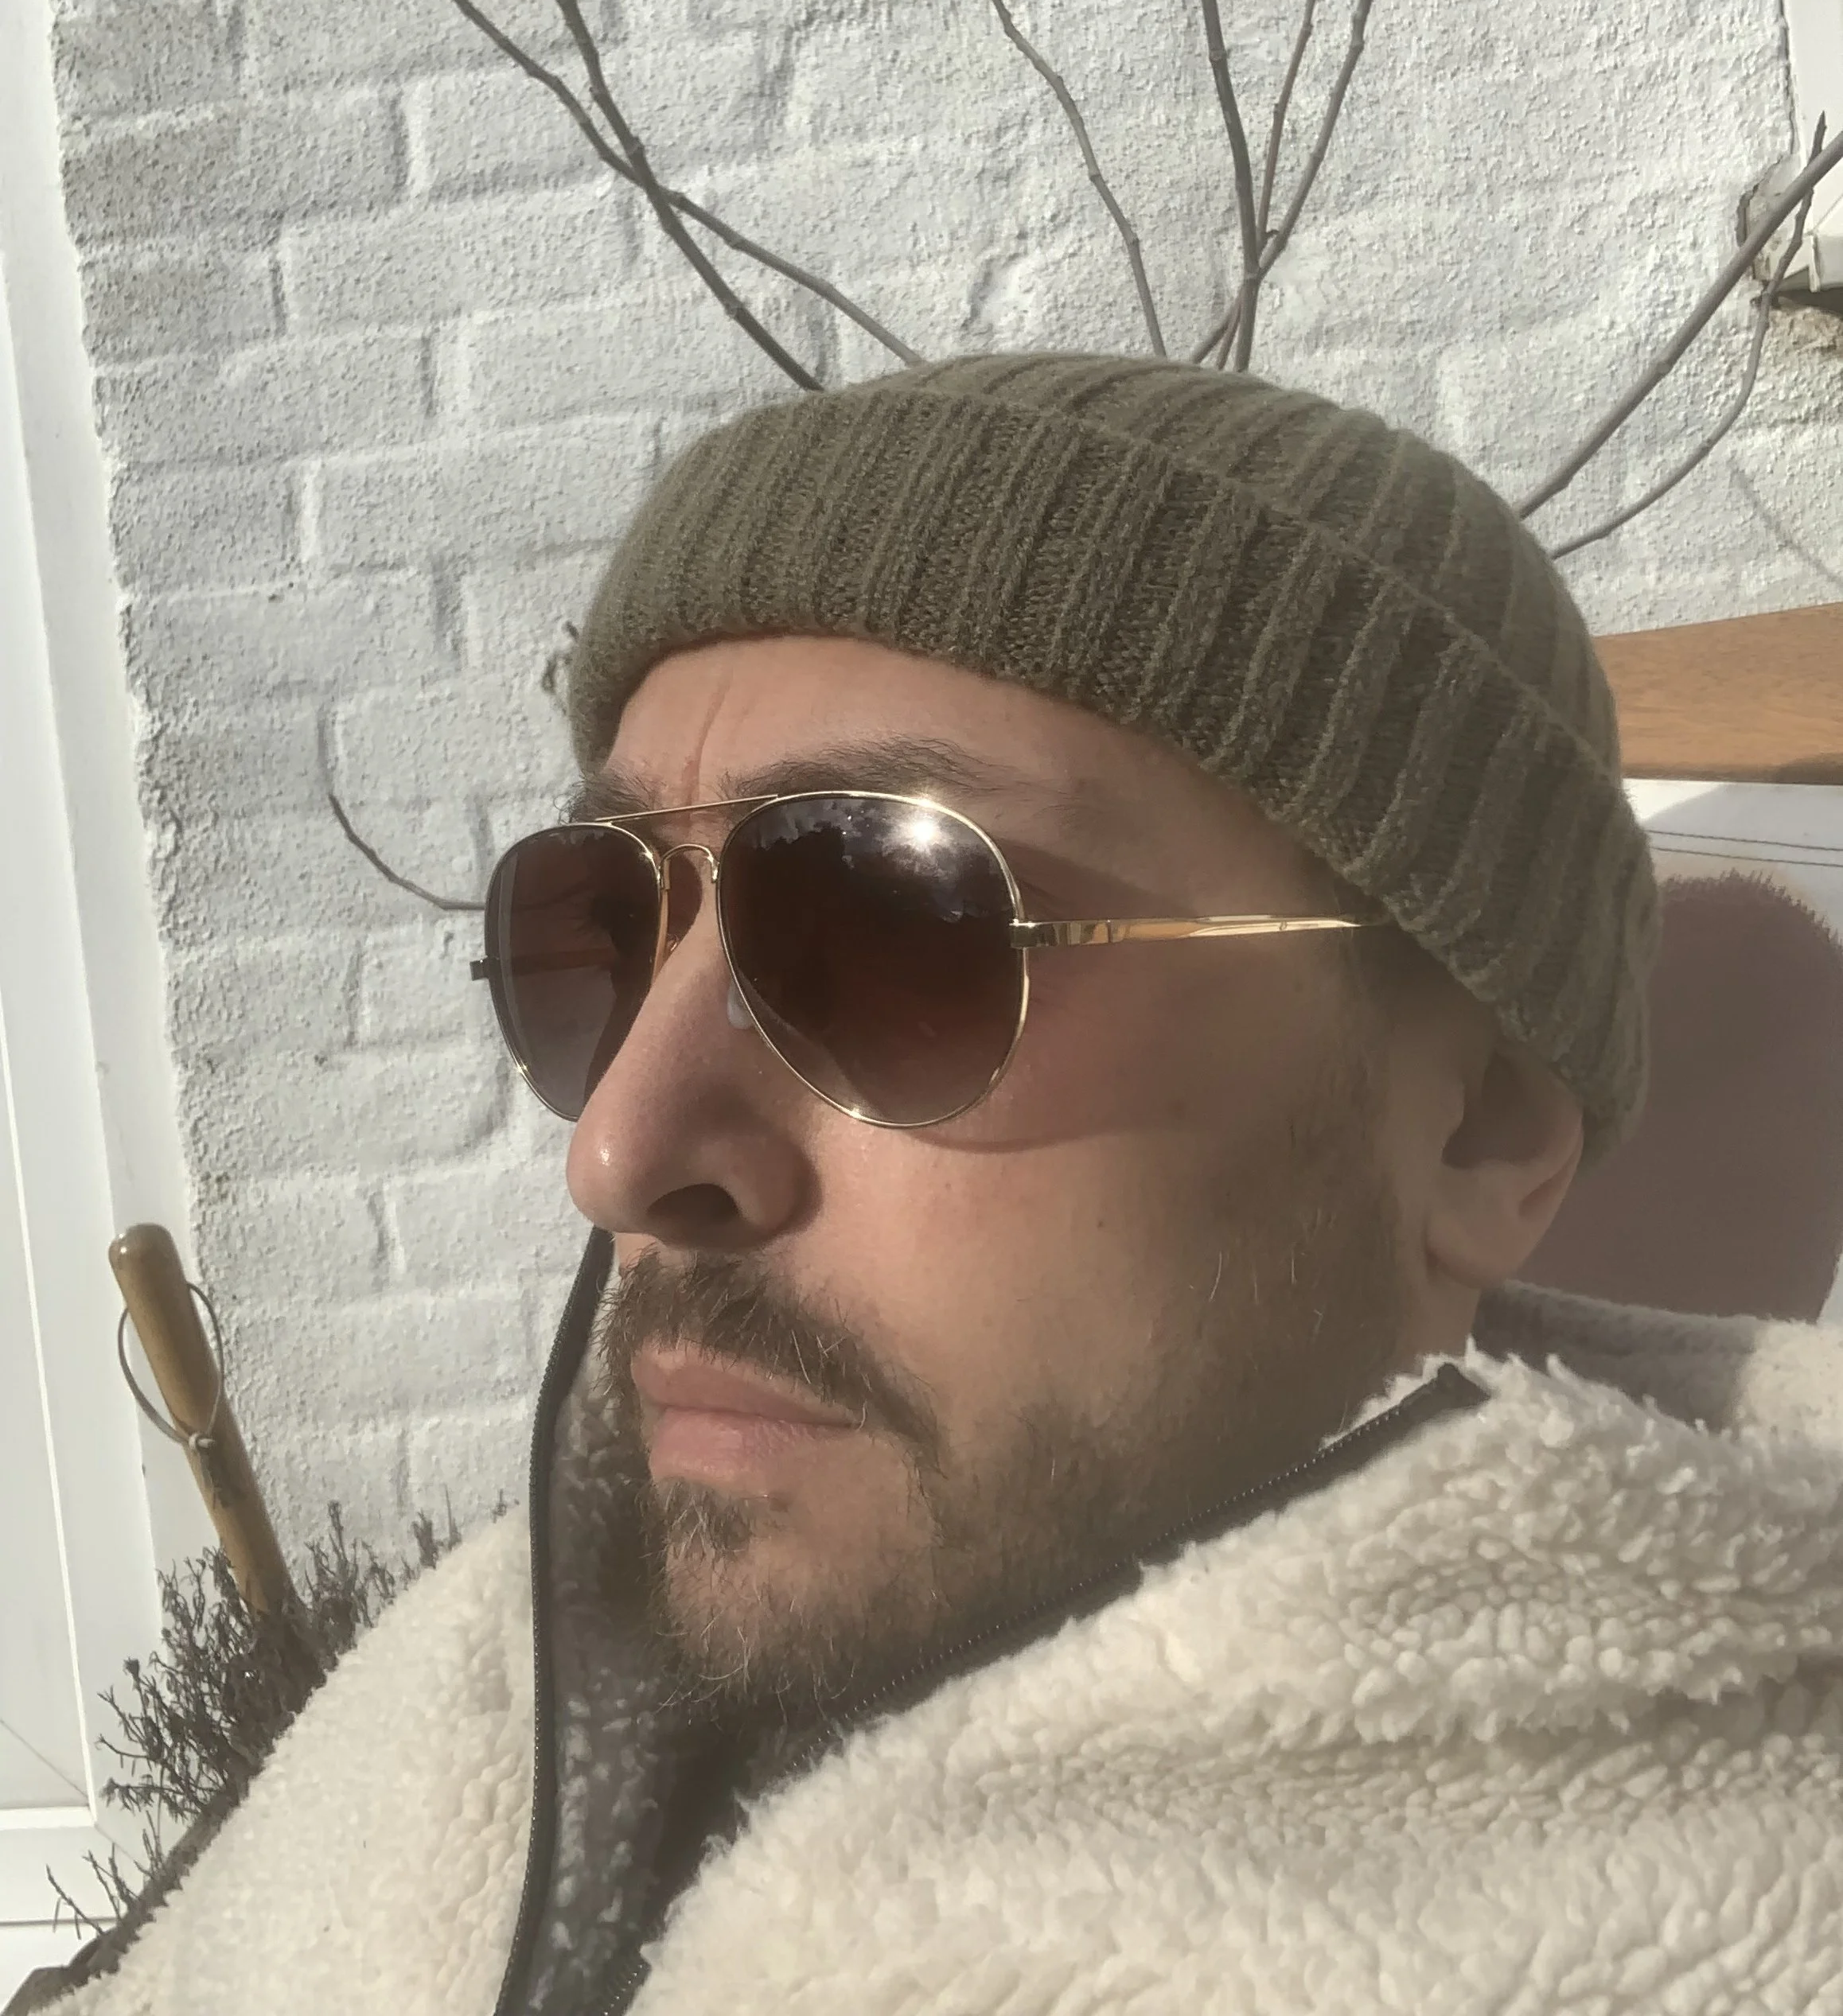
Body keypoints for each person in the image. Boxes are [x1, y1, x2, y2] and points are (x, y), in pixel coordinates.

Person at [57, 355, 1843, 2016]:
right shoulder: (512, 1649)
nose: (617, 1155)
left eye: (884, 929)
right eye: (600, 930)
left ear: (1479, 1135)